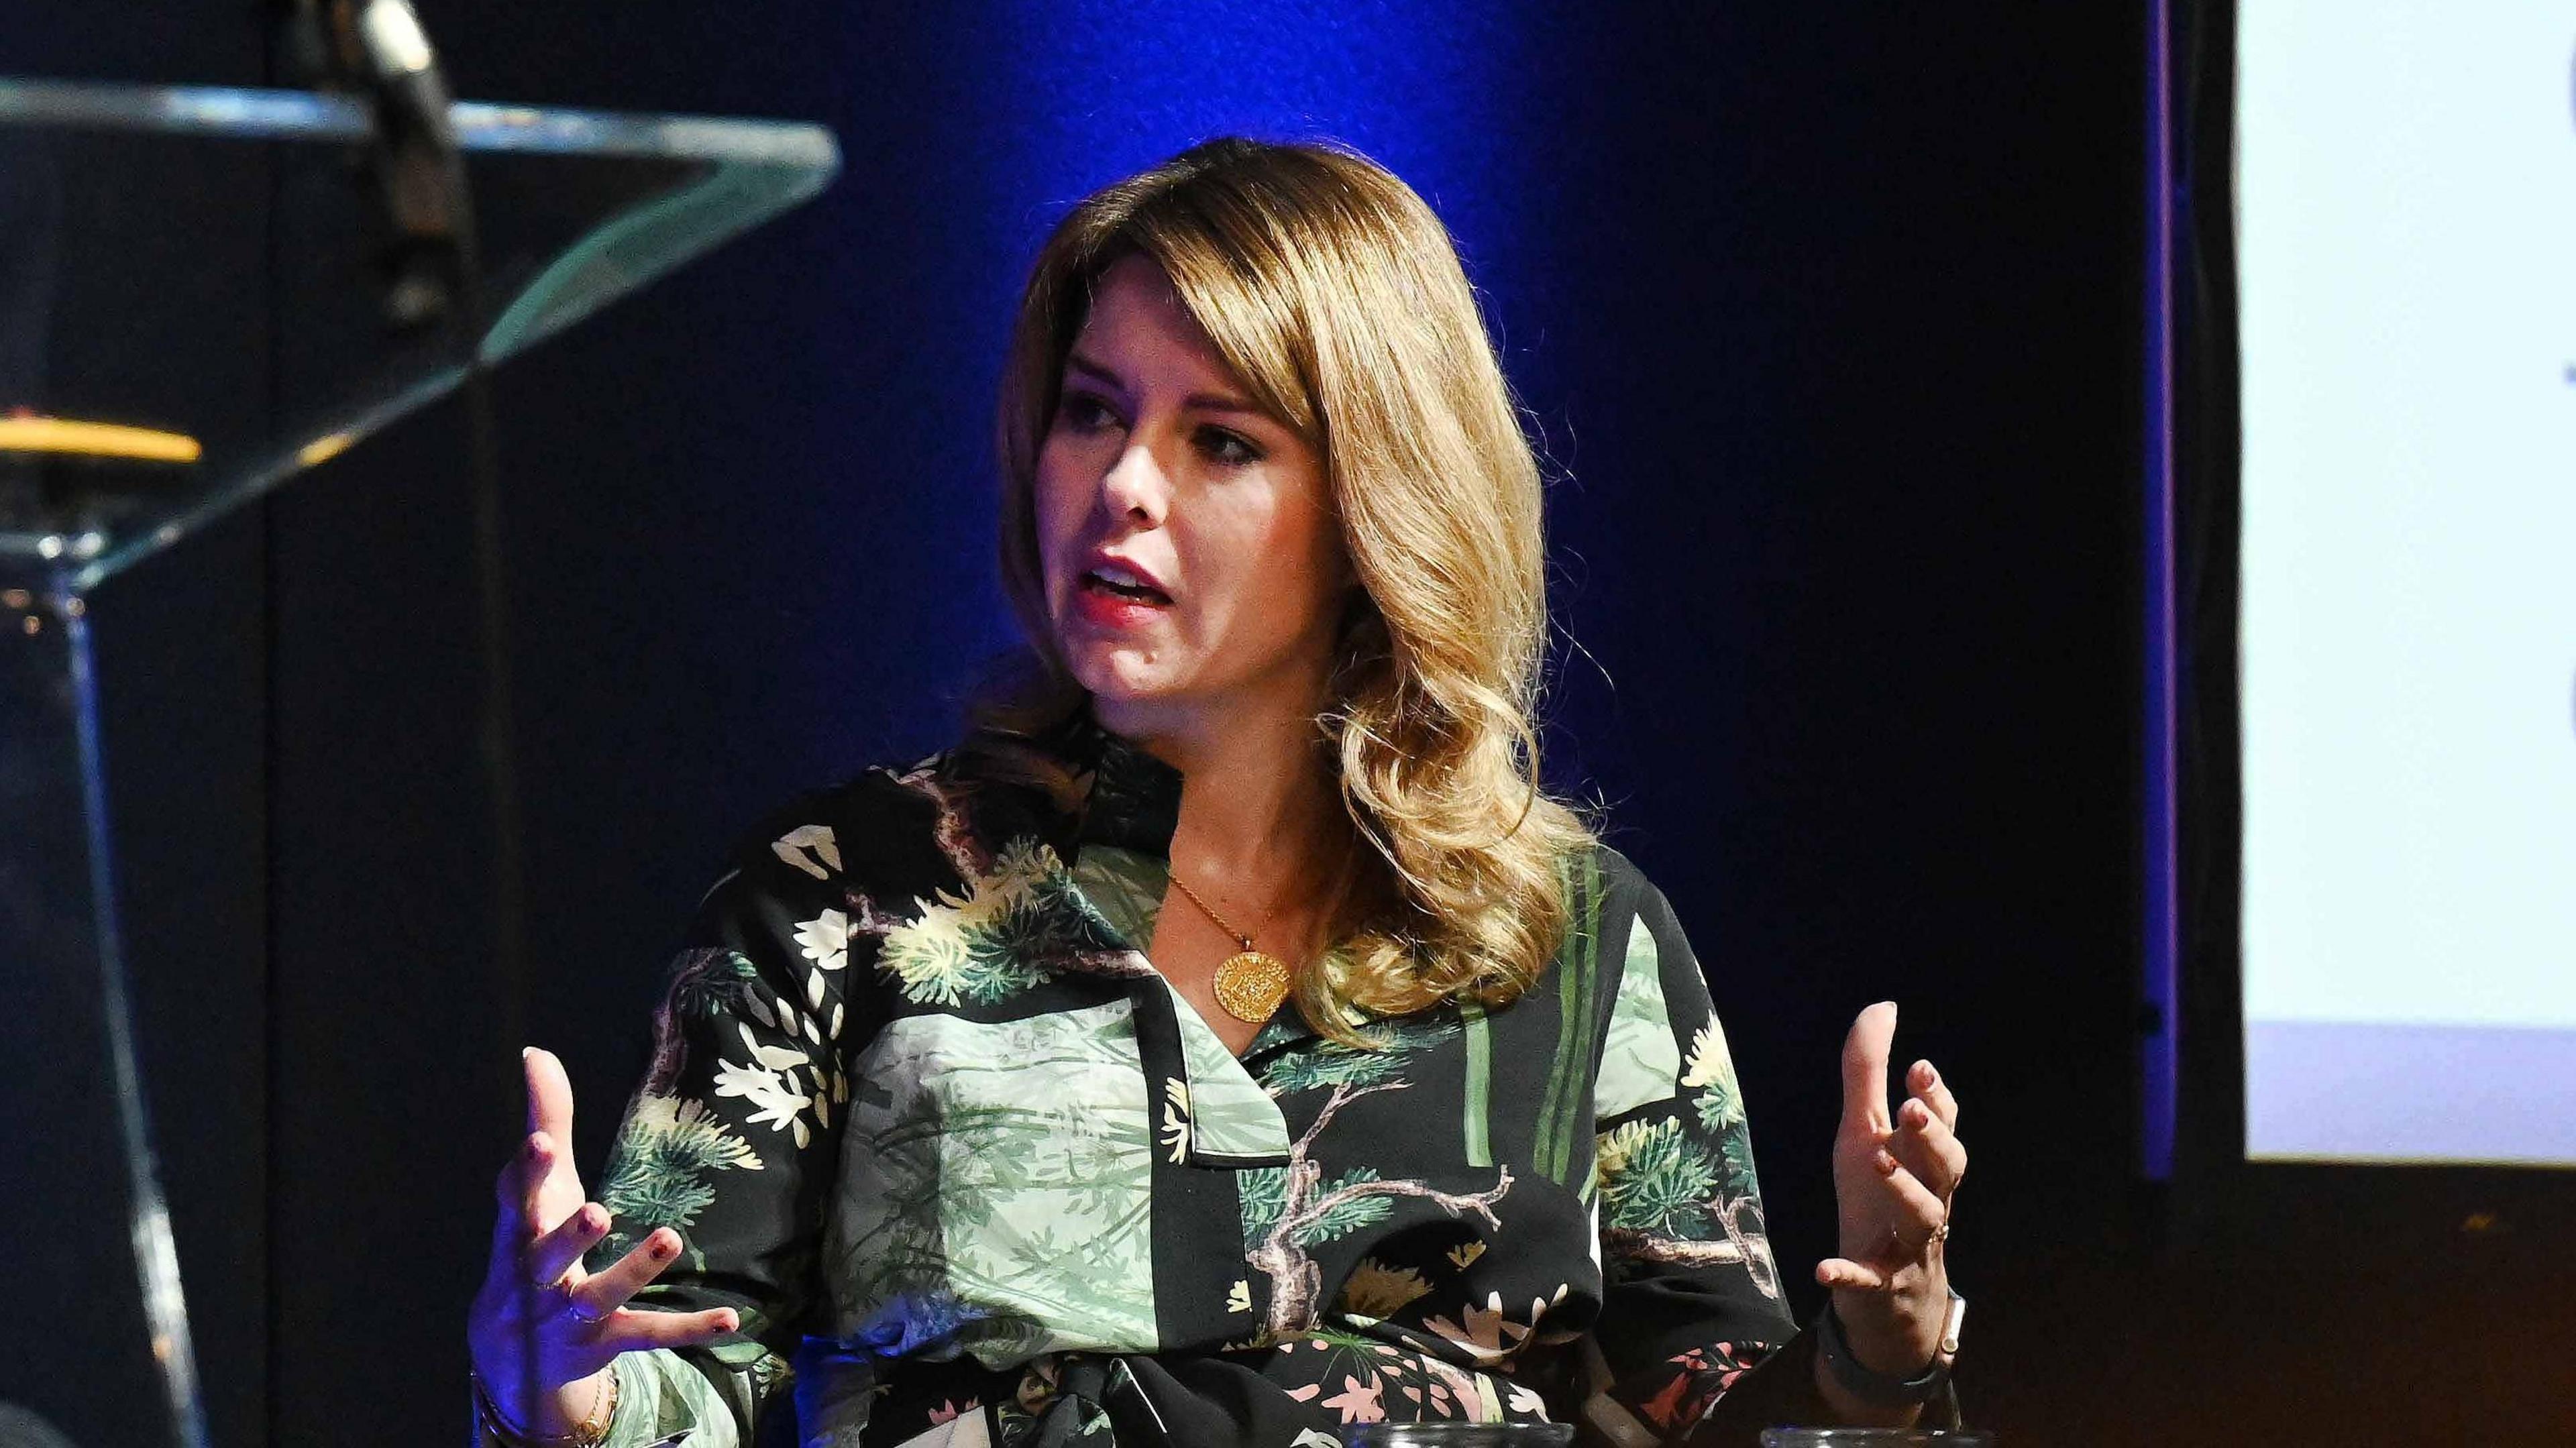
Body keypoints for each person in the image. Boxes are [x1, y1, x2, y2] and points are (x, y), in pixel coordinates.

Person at [466, 137, 1969, 1448]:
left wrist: (1874, 1351)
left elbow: (1703, 1416)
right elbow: (672, 1382)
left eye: (1222, 441)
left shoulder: (1574, 942)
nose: (1124, 484)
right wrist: (560, 1396)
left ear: (1376, 506)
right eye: (1092, 412)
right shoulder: (843, 896)